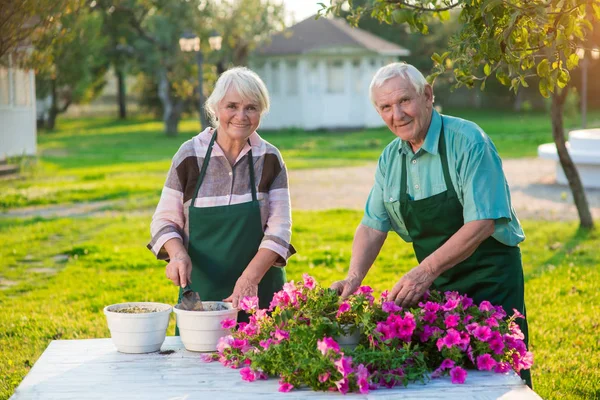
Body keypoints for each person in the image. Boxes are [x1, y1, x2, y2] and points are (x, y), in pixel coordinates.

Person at [330, 62, 531, 387]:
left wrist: (424, 271)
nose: (397, 114)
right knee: (448, 380)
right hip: (440, 288)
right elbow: (372, 225)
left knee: (501, 381)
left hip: (491, 281)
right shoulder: (390, 158)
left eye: (404, 101)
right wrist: (353, 279)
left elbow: (482, 223)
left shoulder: (469, 142)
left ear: (427, 95)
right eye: (386, 107)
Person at [148, 67, 295, 322]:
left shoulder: (269, 158)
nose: (241, 116)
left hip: (260, 290)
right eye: (232, 106)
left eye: (251, 107)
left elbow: (280, 229)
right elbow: (164, 221)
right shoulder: (189, 155)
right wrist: (177, 253)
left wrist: (250, 280)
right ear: (215, 108)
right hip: (202, 296)